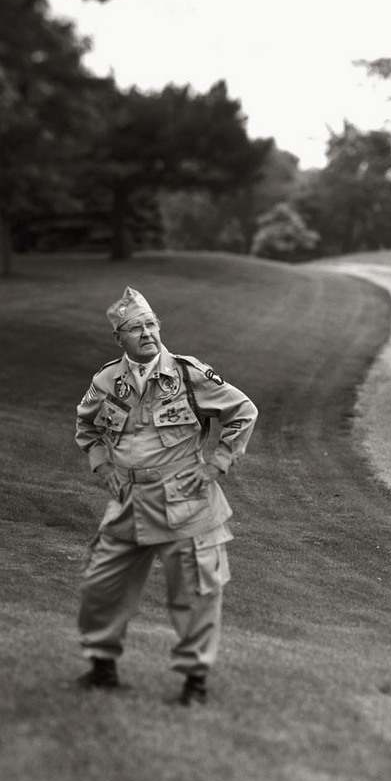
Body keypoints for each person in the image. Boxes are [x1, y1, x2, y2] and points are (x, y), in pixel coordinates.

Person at [74, 286, 258, 705]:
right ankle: (101, 668)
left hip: (185, 503)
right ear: (118, 338)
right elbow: (87, 428)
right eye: (134, 328)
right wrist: (103, 467)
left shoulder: (189, 375)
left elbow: (244, 411)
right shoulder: (106, 380)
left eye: (151, 324)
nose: (146, 333)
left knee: (195, 594)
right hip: (128, 504)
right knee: (101, 586)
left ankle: (195, 683)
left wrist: (217, 464)